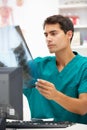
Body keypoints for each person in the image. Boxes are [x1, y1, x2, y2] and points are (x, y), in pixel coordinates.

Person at [23, 14, 87, 124]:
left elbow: (83, 107)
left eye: (53, 33)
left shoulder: (83, 66)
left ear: (69, 34)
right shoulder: (38, 65)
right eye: (46, 34)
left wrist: (55, 95)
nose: (48, 39)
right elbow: (10, 73)